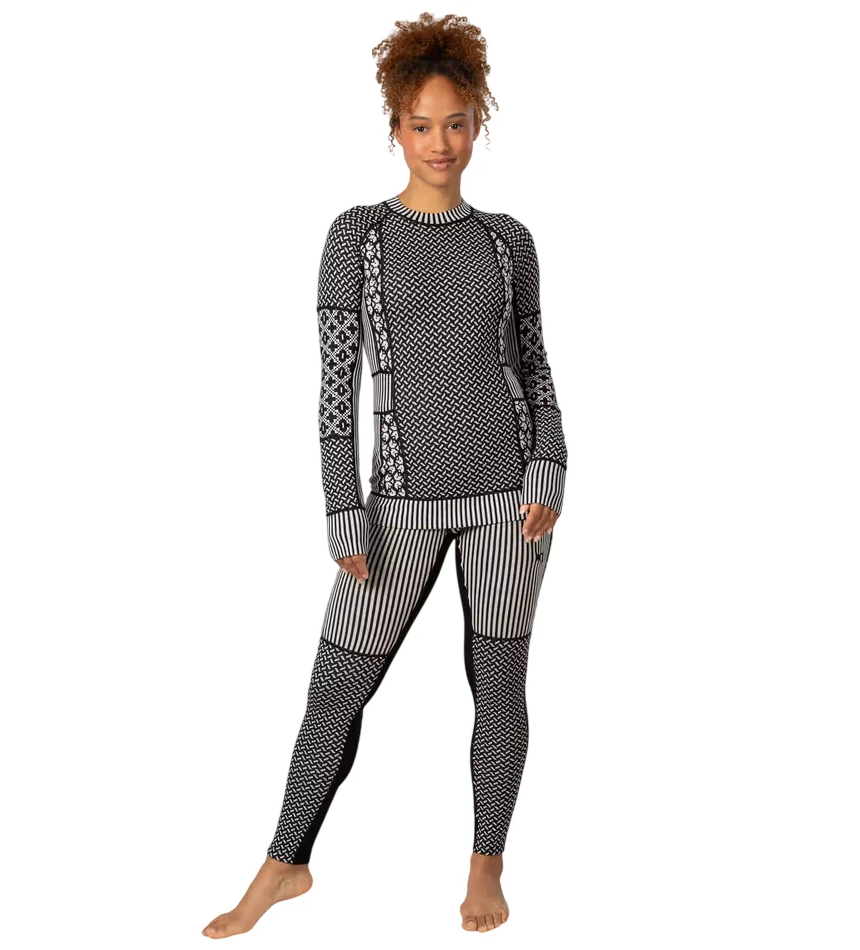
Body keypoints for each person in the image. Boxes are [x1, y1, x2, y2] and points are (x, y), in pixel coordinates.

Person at [202, 12, 567, 938]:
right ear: (395, 126)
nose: (439, 143)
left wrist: (552, 462)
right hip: (397, 503)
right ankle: (283, 865)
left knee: (499, 685)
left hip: (510, 500)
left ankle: (486, 865)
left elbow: (533, 363)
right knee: (336, 685)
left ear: (478, 122)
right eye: (420, 124)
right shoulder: (356, 236)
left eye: (456, 123)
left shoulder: (509, 240)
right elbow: (335, 385)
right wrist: (343, 505)